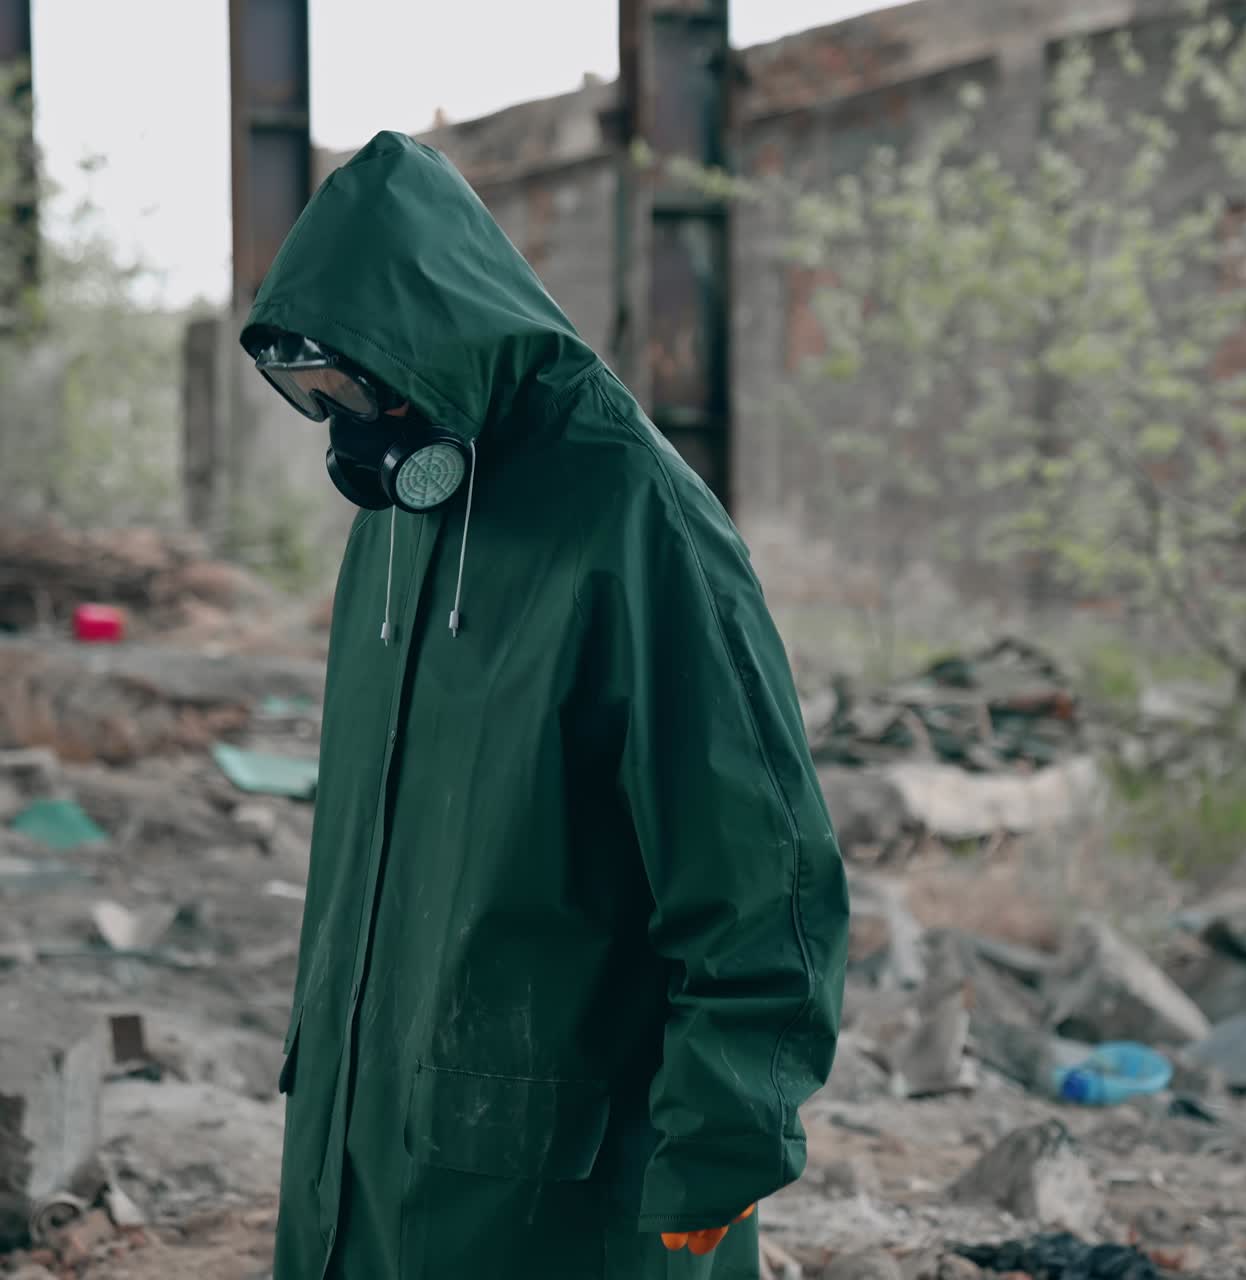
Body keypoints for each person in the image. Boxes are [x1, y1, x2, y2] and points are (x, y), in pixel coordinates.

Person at [241, 130, 849, 1280]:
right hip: (360, 1150)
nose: (348, 429)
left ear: (432, 341)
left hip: (555, 1193)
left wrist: (721, 1146)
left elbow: (762, 877)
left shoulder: (635, 522)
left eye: (355, 385)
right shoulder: (396, 518)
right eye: (314, 395)